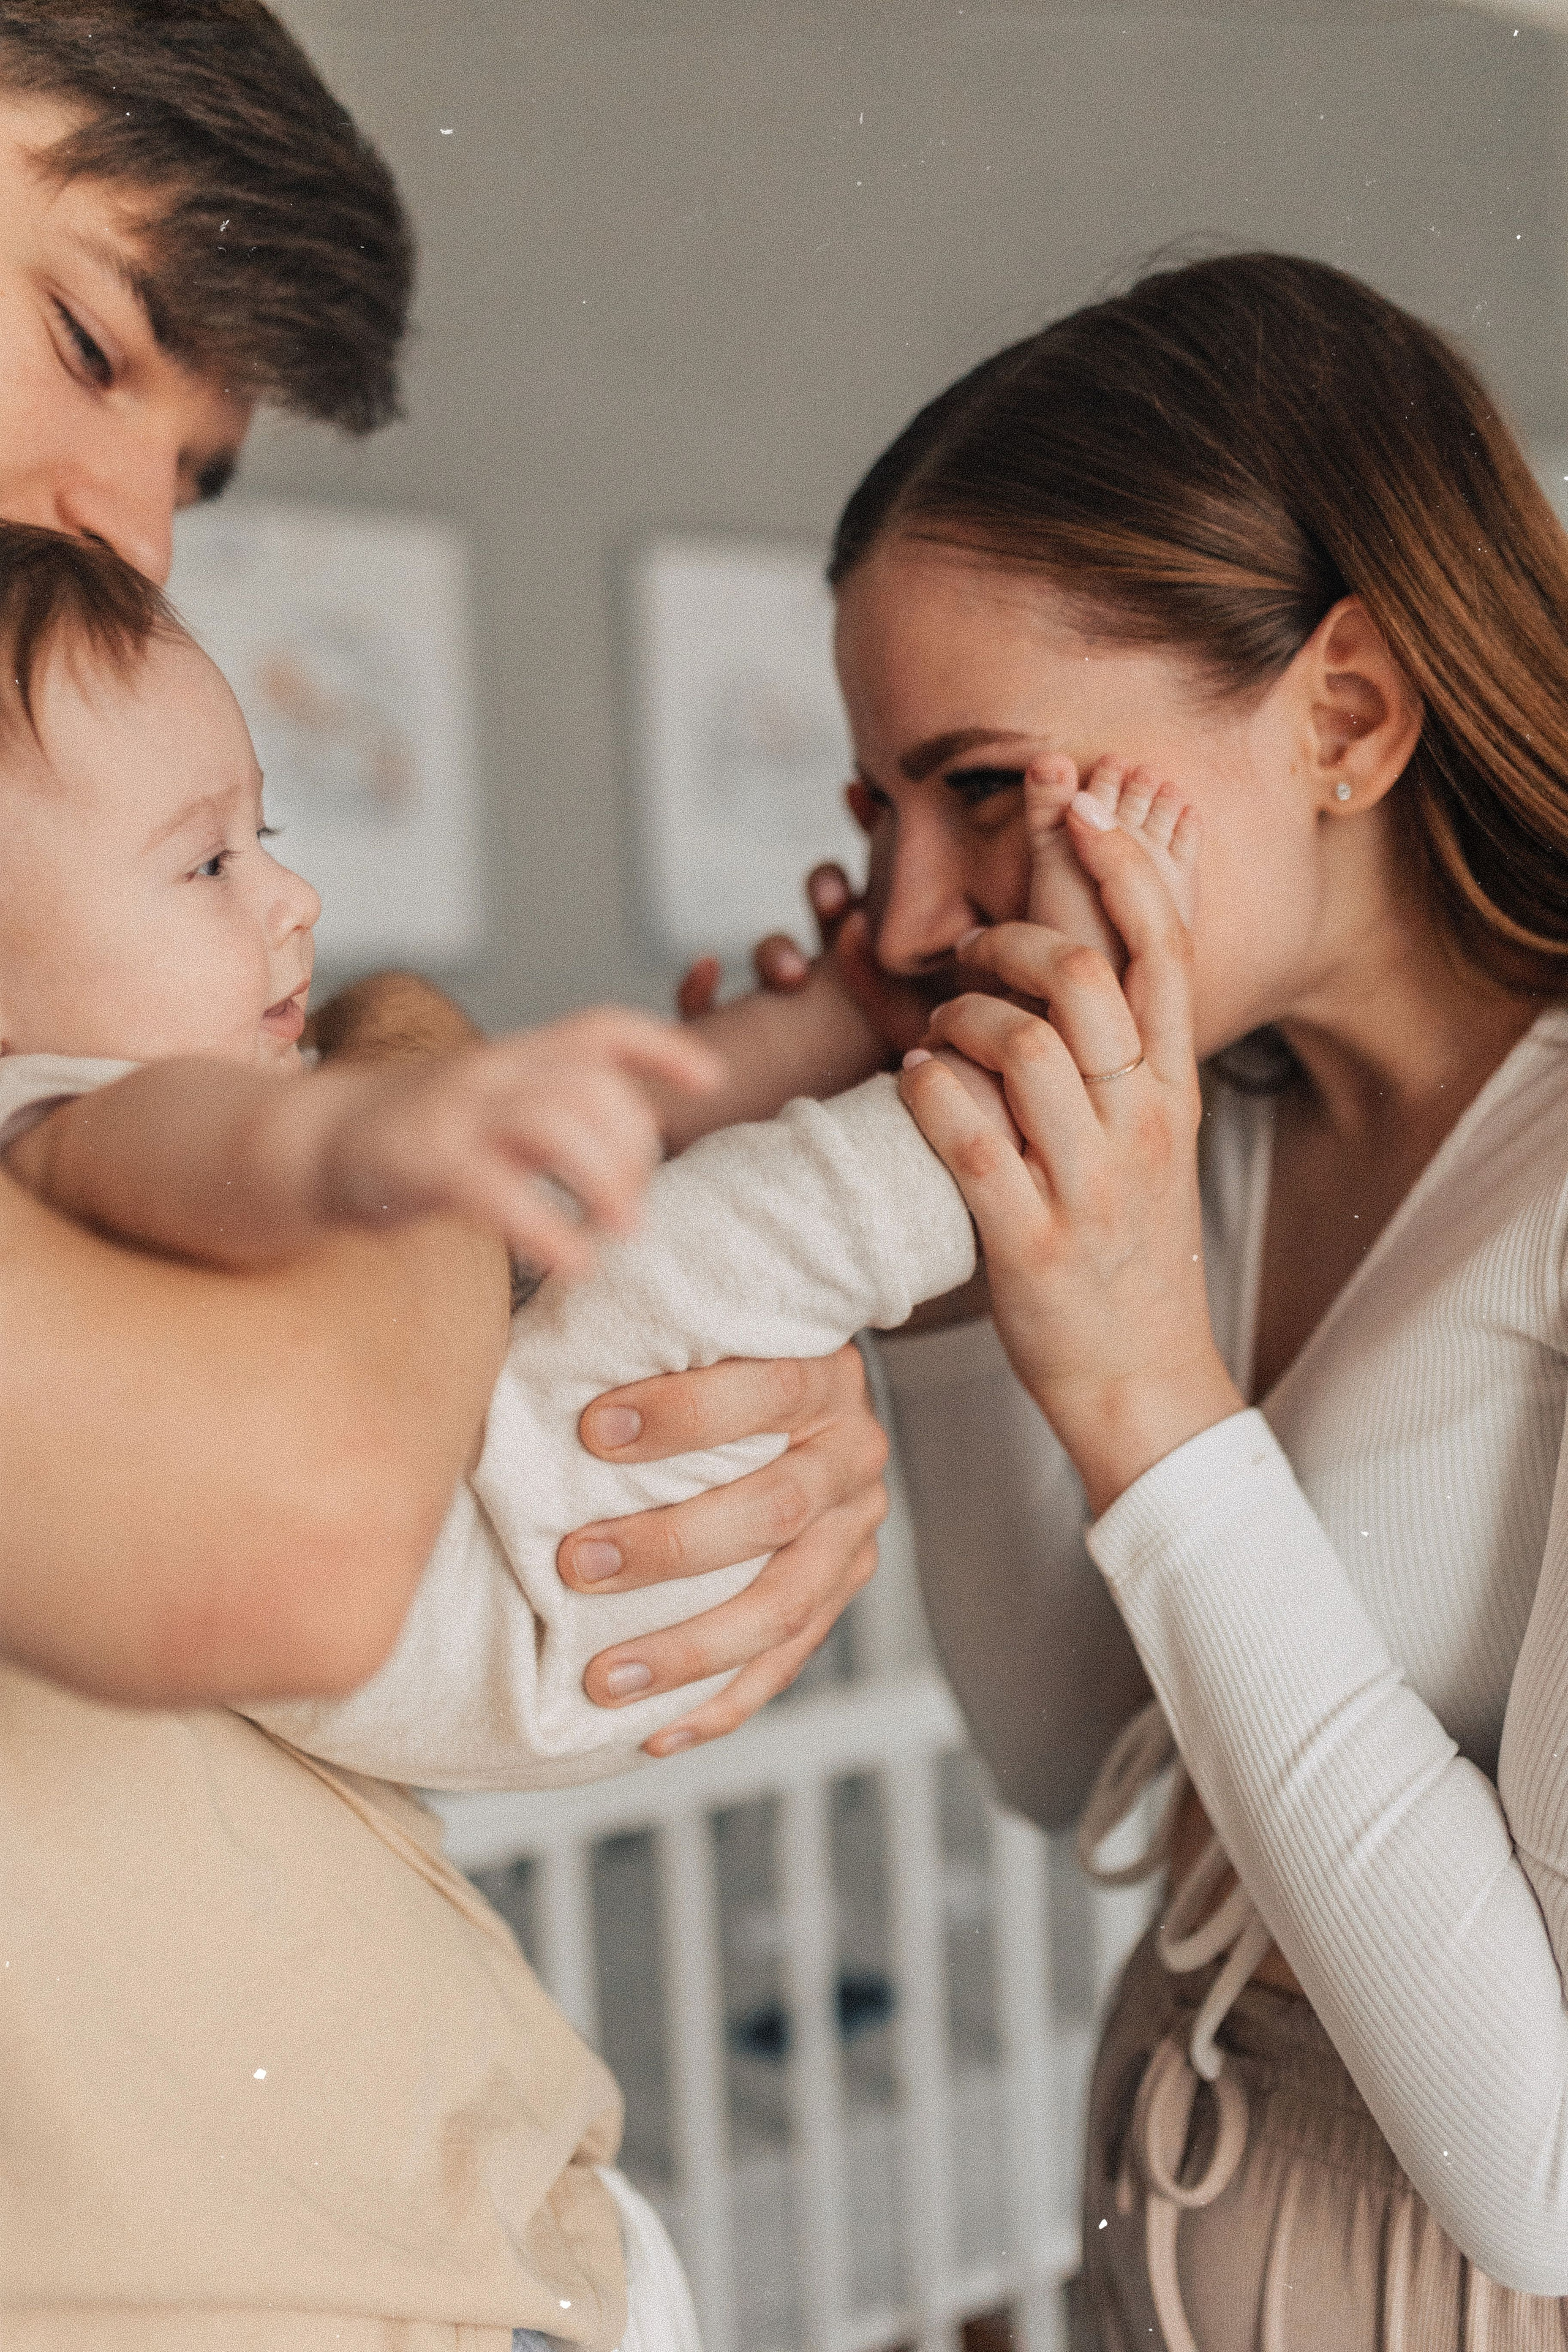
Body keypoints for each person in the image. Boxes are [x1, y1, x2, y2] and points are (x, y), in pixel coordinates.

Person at [704, 247, 1568, 2343]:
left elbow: (1550, 2175)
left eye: (986, 787)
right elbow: (1071, 1752)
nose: (910, 917)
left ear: (1348, 715)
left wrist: (1150, 1388)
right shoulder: (1221, 1133)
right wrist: (978, 1258)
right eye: (879, 815)